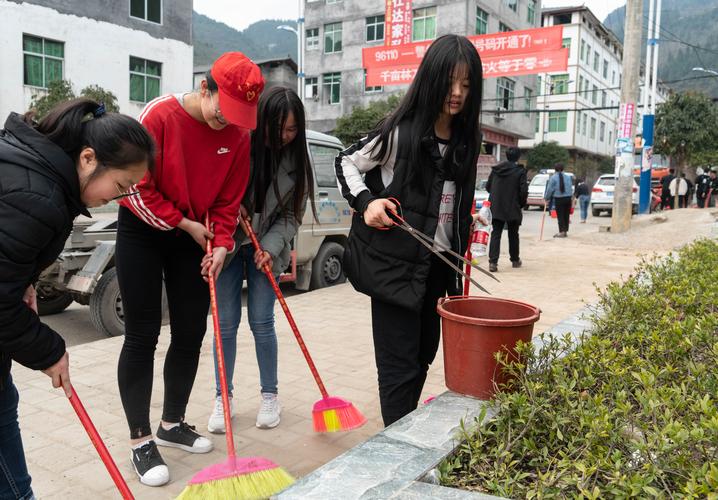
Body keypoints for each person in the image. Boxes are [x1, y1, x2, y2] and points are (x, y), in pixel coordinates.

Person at [115, 52, 263, 487]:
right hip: (144, 228)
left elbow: (229, 199)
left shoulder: (238, 134)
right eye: (223, 109)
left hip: (195, 235)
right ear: (205, 89)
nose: (228, 122)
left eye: (238, 115)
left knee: (191, 332)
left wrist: (221, 244)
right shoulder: (159, 115)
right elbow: (135, 184)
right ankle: (141, 440)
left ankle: (172, 423)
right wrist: (184, 223)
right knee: (143, 333)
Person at [0, 99, 154, 499]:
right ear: (88, 158)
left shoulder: (30, 167)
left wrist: (23, 282)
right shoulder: (40, 196)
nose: (119, 198)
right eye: (120, 186)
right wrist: (49, 349)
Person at [335, 34, 482, 426]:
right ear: (431, 78)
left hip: (439, 268)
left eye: (467, 86)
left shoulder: (469, 139)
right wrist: (368, 202)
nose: (457, 93)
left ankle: (403, 430)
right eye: (450, 82)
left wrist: (467, 225)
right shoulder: (400, 131)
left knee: (423, 356)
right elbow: (346, 162)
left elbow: (454, 202)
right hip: (394, 270)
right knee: (398, 368)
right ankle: (397, 443)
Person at [207, 87, 315, 434]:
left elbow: (291, 215)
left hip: (265, 249)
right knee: (224, 324)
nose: (284, 137)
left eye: (292, 129)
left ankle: (270, 395)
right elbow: (209, 189)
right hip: (227, 242)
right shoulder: (236, 142)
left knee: (261, 322)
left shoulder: (297, 160)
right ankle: (223, 397)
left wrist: (269, 245)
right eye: (278, 128)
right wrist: (228, 206)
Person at [485, 147, 527, 273]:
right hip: (513, 206)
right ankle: (515, 260)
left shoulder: (496, 170)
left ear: (506, 156)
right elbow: (523, 191)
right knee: (513, 234)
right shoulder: (520, 171)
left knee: (496, 233)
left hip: (496, 206)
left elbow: (488, 187)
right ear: (518, 157)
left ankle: (493, 262)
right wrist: (521, 203)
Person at [544, 163, 573, 238]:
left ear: (555, 169)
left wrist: (546, 198)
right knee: (566, 215)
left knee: (560, 215)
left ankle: (562, 232)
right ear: (563, 169)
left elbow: (550, 189)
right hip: (568, 198)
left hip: (559, 199)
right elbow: (570, 187)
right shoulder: (568, 177)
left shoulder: (553, 178)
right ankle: (565, 231)